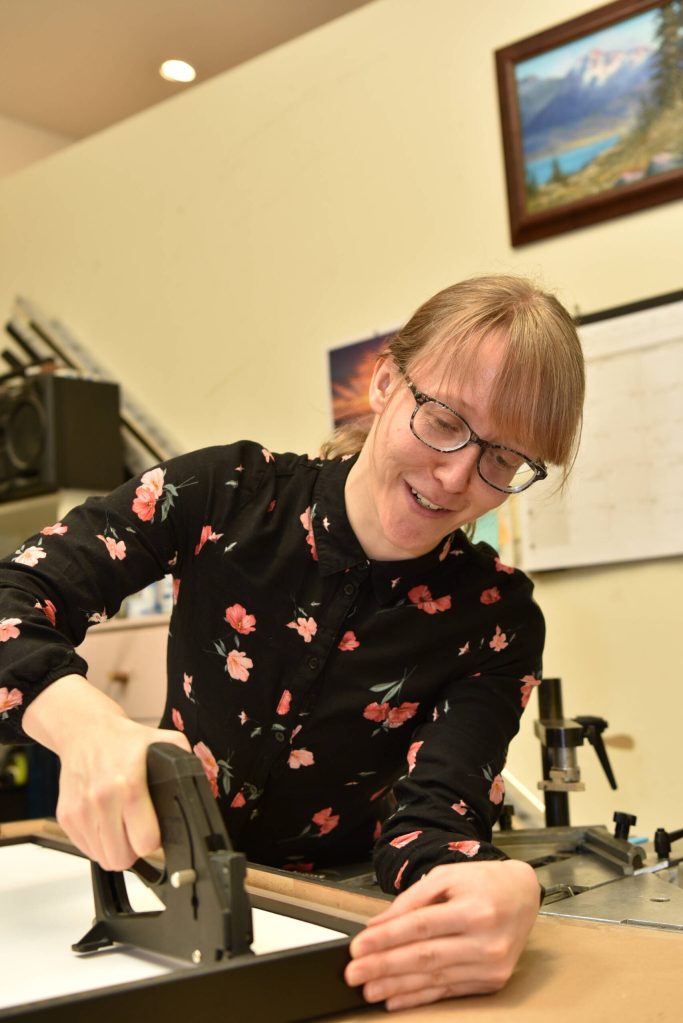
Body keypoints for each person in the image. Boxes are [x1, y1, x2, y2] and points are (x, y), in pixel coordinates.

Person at [0, 274, 584, 1011]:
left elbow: (433, 824)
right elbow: (13, 597)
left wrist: (495, 885)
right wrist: (86, 727)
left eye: (503, 459)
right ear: (381, 383)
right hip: (157, 892)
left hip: (328, 933)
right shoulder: (221, 495)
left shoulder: (495, 616)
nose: (456, 476)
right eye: (442, 419)